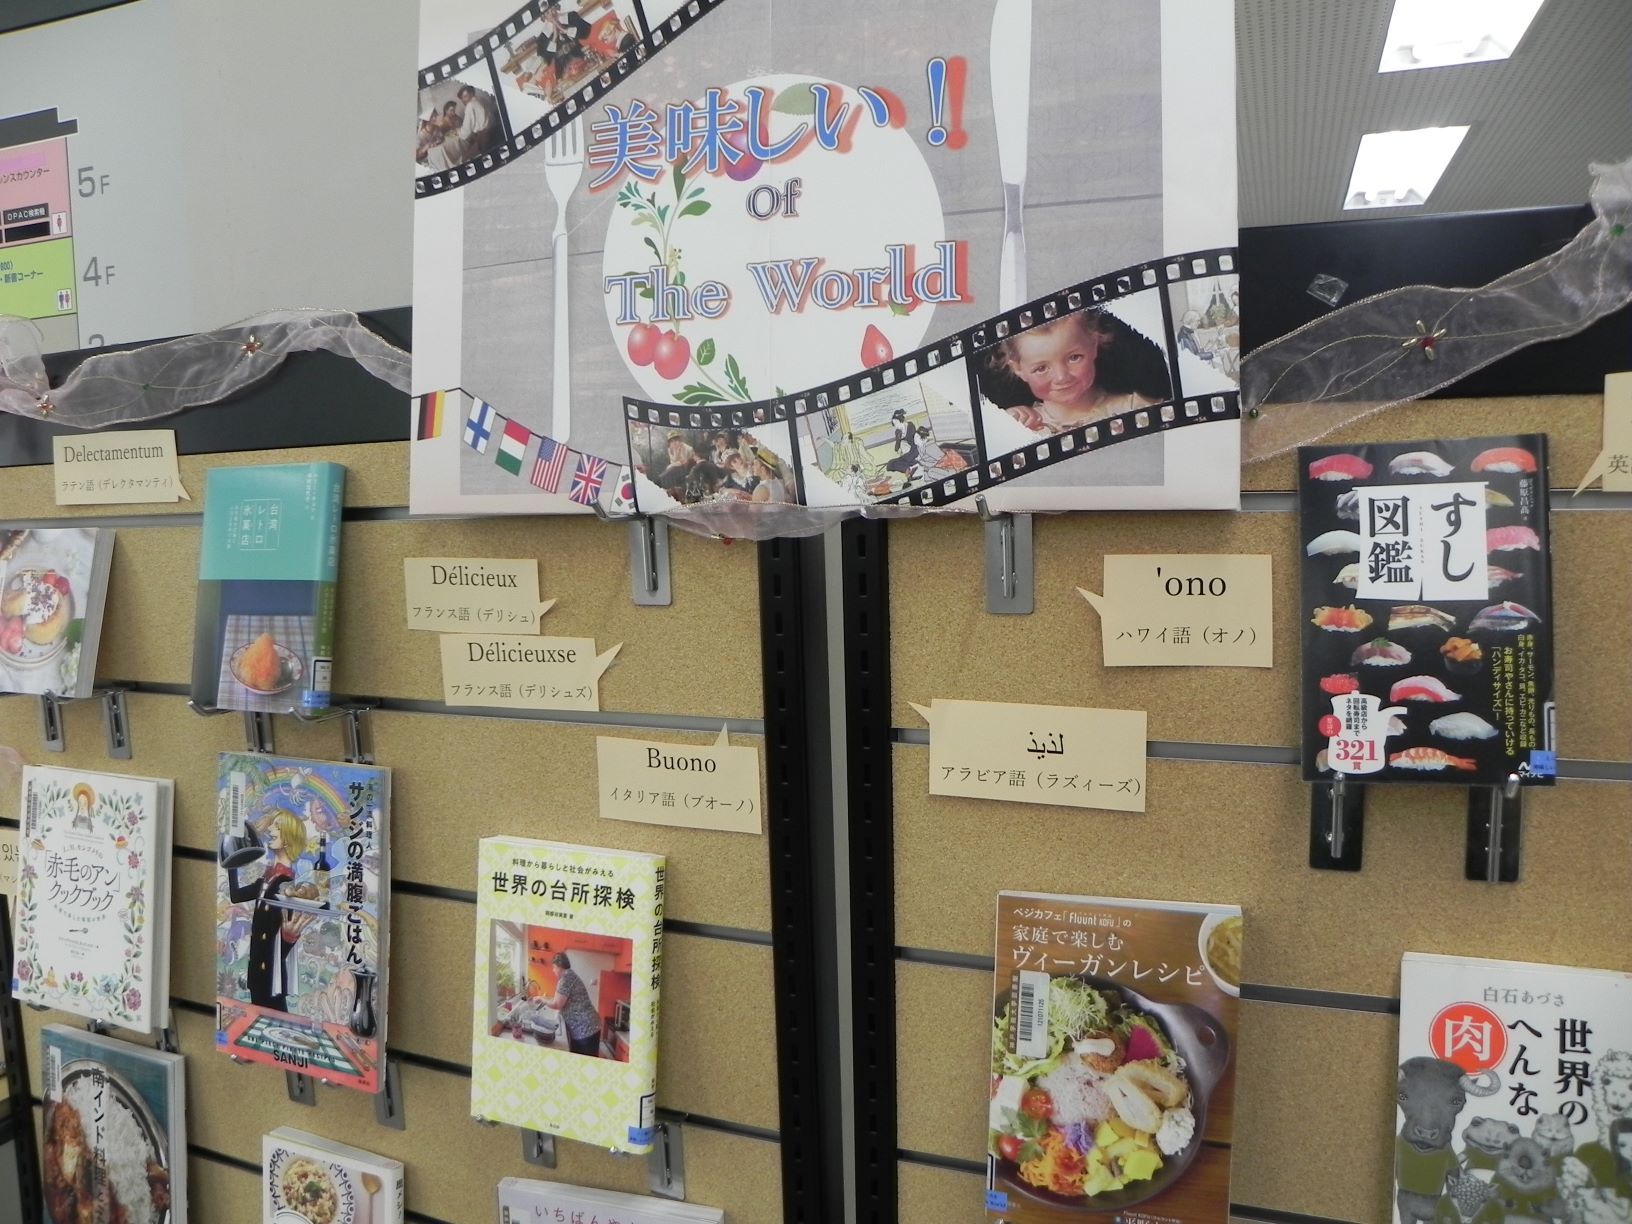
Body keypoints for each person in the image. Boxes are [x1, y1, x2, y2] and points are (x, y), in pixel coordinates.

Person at [991, 309, 1158, 434]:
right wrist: (1008, 429)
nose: (1062, 377)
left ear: (1094, 344)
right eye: (1041, 368)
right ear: (1018, 369)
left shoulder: (1135, 408)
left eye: (1074, 358)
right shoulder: (1017, 426)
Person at [225, 806, 317, 1013]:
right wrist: (231, 861)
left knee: (276, 1019)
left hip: (271, 976)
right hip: (258, 972)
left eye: (277, 827)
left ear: (287, 839)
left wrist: (289, 937)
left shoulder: (287, 884)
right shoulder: (267, 878)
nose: (270, 830)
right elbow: (236, 896)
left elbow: (285, 938)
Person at [544, 951, 603, 1056]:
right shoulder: (571, 975)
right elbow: (562, 999)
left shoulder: (565, 979)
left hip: (584, 1029)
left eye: (554, 967)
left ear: (559, 966)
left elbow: (557, 1004)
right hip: (590, 1027)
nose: (553, 970)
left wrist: (541, 999)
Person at [456, 85, 500, 156]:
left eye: (465, 96)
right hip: (495, 131)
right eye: (462, 98)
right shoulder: (482, 99)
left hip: (484, 137)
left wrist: (458, 131)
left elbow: (466, 130)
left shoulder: (470, 106)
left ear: (471, 94)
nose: (463, 100)